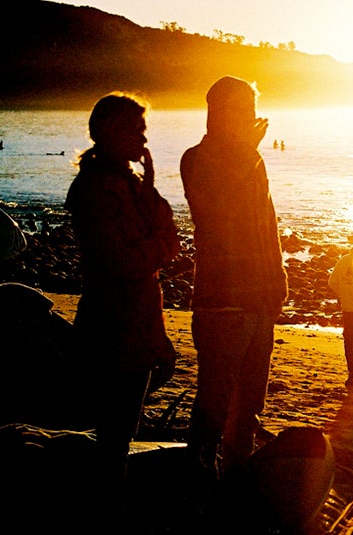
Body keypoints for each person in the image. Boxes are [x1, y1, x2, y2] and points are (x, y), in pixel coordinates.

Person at [64, 92, 181, 510]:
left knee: (121, 428)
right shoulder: (92, 189)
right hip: (111, 327)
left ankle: (108, 501)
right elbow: (123, 261)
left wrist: (149, 183)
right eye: (138, 129)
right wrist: (160, 247)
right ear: (113, 132)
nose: (145, 139)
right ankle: (105, 509)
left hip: (139, 322)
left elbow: (165, 229)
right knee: (114, 435)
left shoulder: (130, 184)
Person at [180, 76, 289, 480]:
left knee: (249, 404)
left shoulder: (249, 157)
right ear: (221, 111)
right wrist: (248, 152)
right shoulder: (197, 158)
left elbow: (266, 224)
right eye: (245, 109)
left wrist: (277, 280)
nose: (252, 118)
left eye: (253, 109)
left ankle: (235, 478)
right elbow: (218, 213)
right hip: (221, 303)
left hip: (259, 302)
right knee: (215, 401)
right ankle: (198, 477)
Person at [327, 246, 353, 388]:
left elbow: (331, 282)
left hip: (348, 308)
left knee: (350, 341)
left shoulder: (343, 261)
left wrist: (342, 294)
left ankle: (352, 370)